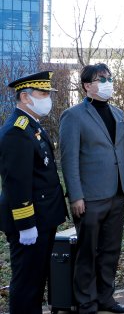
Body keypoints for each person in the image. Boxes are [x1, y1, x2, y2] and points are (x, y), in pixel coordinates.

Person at [59, 64, 124, 314]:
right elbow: (69, 160)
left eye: (110, 78)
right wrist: (76, 195)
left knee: (111, 251)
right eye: (102, 79)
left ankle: (106, 298)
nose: (108, 82)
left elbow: (121, 151)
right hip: (89, 198)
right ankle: (86, 303)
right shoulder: (74, 115)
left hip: (116, 194)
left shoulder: (118, 113)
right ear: (87, 85)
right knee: (88, 252)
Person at [0, 71, 67, 314]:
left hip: (43, 218)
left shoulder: (31, 125)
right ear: (26, 98)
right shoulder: (16, 131)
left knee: (36, 279)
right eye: (43, 93)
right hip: (30, 222)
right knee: (27, 283)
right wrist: (26, 224)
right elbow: (16, 183)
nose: (48, 98)